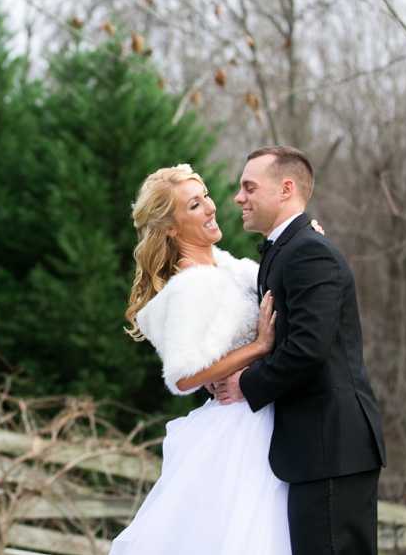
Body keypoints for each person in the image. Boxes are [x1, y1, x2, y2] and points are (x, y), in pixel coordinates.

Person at [110, 164, 295, 555]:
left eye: (206, 195)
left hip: (262, 412)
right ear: (172, 228)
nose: (211, 207)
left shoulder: (225, 264)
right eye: (195, 205)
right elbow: (183, 376)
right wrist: (259, 346)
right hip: (238, 427)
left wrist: (304, 237)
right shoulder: (191, 280)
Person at [210, 146, 386, 555]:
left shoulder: (308, 251)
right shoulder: (289, 250)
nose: (238, 197)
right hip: (314, 448)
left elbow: (309, 348)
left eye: (249, 187)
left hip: (332, 446)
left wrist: (245, 385)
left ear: (286, 189)